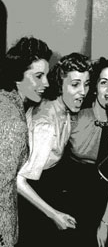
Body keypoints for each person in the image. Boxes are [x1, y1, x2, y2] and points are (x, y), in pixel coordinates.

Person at [16, 52, 92, 247]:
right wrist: (53, 215)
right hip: (29, 200)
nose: (83, 91)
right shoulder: (46, 126)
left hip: (46, 186)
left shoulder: (63, 109)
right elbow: (18, 180)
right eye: (75, 84)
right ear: (60, 84)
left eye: (86, 83)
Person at [60, 57, 108, 246]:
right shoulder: (75, 117)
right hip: (69, 199)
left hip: (106, 203)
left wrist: (105, 222)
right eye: (104, 83)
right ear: (95, 87)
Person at [0, 36, 52, 247]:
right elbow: (2, 187)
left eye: (46, 75)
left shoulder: (5, 101)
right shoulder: (13, 121)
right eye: (38, 76)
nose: (46, 83)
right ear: (17, 76)